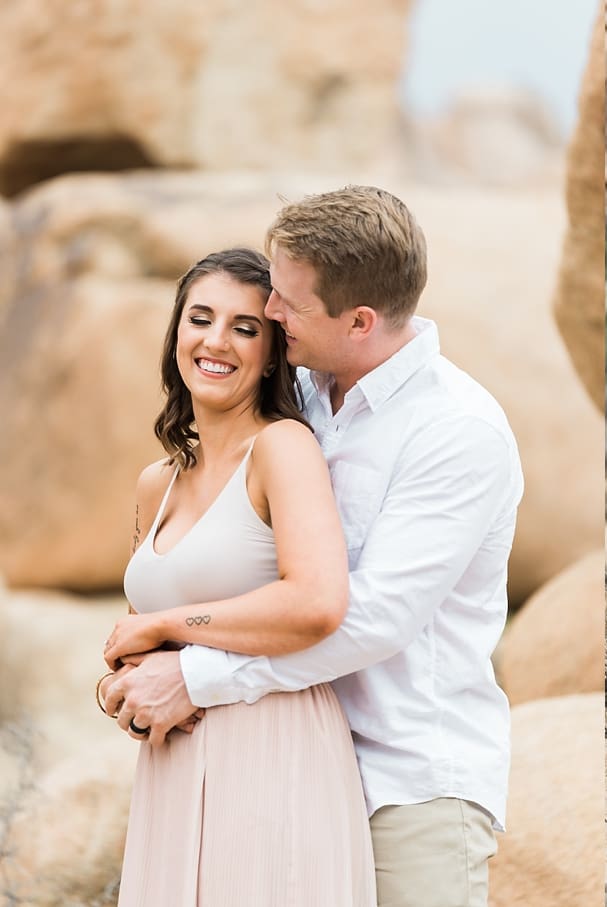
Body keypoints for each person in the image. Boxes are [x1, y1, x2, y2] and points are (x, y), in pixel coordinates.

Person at [102, 186, 524, 907]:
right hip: (271, 759)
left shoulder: (455, 431)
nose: (269, 315)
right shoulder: (305, 394)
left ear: (358, 320)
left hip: (407, 780)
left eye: (286, 305)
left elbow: (366, 617)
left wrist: (195, 674)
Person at [101, 247, 375, 904]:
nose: (216, 341)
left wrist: (168, 624)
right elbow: (140, 638)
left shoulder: (282, 447)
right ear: (176, 336)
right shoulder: (155, 483)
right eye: (200, 319)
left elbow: (315, 600)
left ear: (273, 351)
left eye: (244, 327)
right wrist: (120, 685)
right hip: (171, 761)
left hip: (271, 748)